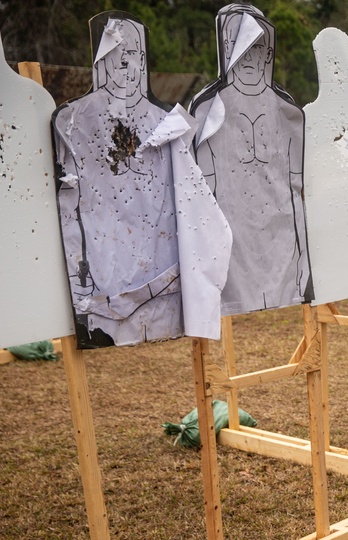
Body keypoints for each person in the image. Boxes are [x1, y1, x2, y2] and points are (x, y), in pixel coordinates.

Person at [53, 13, 180, 347]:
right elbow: (71, 207)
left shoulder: (166, 122)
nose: (125, 63)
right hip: (100, 278)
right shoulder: (72, 120)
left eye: (133, 53)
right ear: (101, 59)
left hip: (160, 280)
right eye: (115, 54)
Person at [190, 4, 311, 316]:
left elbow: (296, 190)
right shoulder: (207, 109)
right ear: (224, 49)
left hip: (280, 245)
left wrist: (303, 267)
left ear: (268, 52)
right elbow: (202, 199)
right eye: (236, 46)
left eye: (255, 47)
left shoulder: (287, 112)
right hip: (231, 251)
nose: (246, 57)